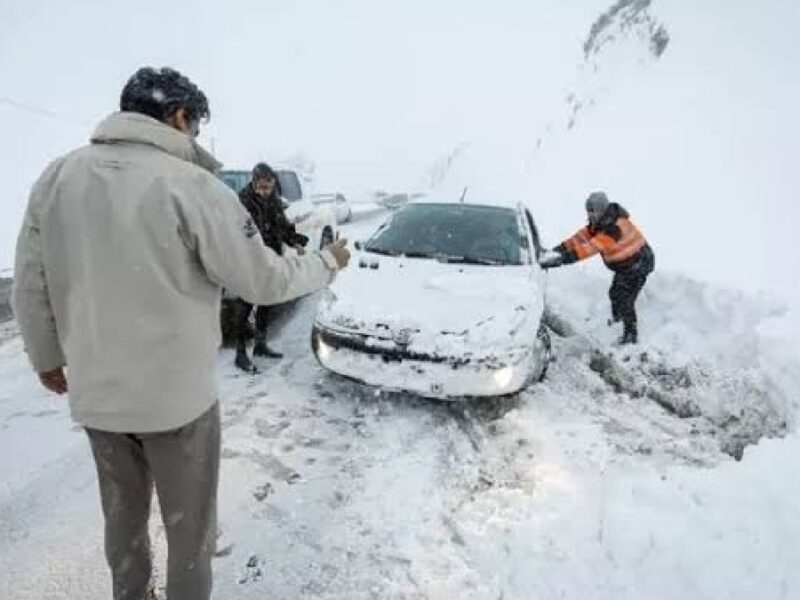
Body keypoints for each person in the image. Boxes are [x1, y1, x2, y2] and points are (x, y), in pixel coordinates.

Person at [11, 66, 350, 600]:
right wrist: (326, 262)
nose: (194, 137)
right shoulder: (193, 187)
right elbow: (262, 279)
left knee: (122, 518)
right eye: (195, 126)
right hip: (177, 404)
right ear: (178, 116)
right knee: (189, 531)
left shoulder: (58, 177)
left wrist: (46, 355)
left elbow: (31, 280)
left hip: (99, 398)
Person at [539, 191, 654, 344]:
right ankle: (617, 321)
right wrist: (555, 251)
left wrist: (561, 260)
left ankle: (630, 334)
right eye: (589, 211)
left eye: (594, 211)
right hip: (625, 266)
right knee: (615, 293)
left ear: (602, 210)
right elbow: (577, 240)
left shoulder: (614, 227)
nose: (591, 215)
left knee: (625, 298)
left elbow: (590, 248)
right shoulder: (598, 225)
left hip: (639, 263)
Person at [231, 162, 309, 370]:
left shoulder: (273, 199)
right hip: (249, 260)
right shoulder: (242, 202)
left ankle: (260, 345)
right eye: (262, 187)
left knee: (266, 301)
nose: (266, 191)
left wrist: (294, 241)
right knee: (245, 306)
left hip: (270, 258)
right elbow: (239, 231)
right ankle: (240, 354)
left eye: (269, 187)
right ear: (254, 182)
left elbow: (281, 224)